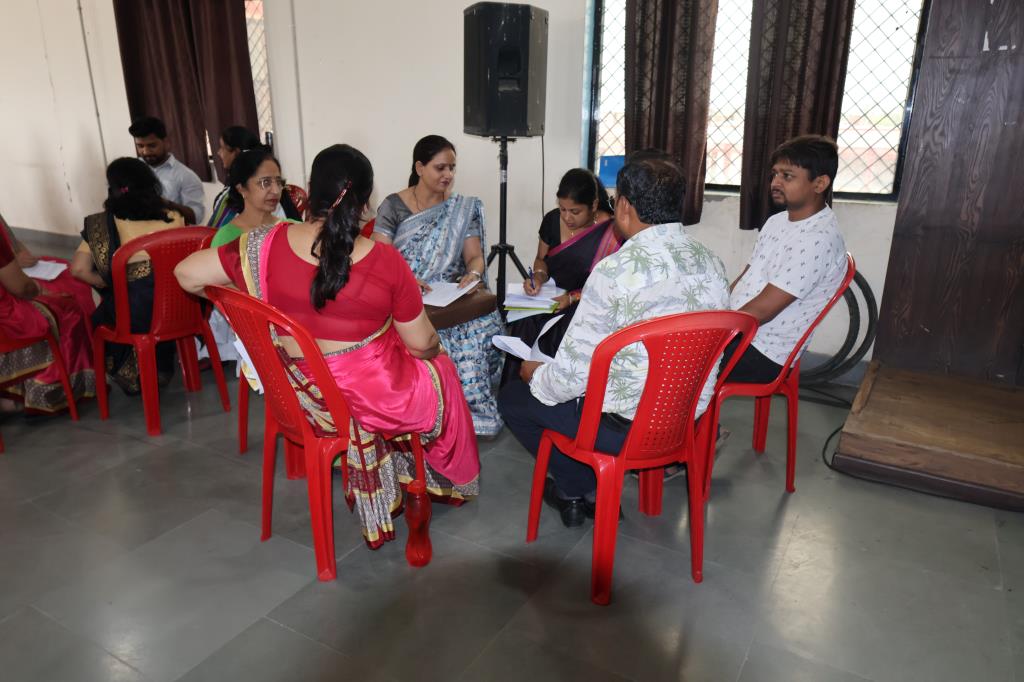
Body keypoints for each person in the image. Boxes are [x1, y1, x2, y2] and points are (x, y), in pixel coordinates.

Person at [174, 143, 480, 548]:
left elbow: (187, 274)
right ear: (365, 203)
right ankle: (436, 479)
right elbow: (421, 343)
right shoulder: (385, 260)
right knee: (440, 368)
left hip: (300, 397)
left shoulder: (263, 246)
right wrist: (435, 349)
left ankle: (393, 472)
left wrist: (248, 303)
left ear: (310, 191)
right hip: (366, 402)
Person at [498, 157, 730, 528]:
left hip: (620, 427)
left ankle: (577, 487)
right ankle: (582, 487)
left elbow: (569, 380)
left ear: (622, 205)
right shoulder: (712, 263)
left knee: (514, 398)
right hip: (685, 419)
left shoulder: (614, 272)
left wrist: (535, 374)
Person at [372, 135, 503, 438]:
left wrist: (473, 274)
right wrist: (406, 280)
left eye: (452, 168)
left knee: (481, 326)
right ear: (420, 167)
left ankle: (466, 415)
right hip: (405, 295)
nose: (448, 175)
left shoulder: (461, 208)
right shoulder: (393, 205)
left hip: (450, 298)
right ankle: (433, 414)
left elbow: (474, 256)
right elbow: (379, 258)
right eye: (440, 168)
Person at [725, 135, 848, 382]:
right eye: (774, 174)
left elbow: (763, 311)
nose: (775, 182)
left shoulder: (816, 240)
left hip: (764, 352)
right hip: (742, 333)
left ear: (820, 183)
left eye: (787, 176)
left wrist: (714, 331)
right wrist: (717, 309)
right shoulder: (777, 221)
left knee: (673, 360)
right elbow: (747, 276)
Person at [71, 158, 185, 395]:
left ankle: (134, 371)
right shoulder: (175, 216)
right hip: (178, 308)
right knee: (148, 298)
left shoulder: (103, 224)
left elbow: (79, 269)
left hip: (135, 315)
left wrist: (107, 283)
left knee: (101, 316)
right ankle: (161, 366)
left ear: (113, 188)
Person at [501, 168, 621, 384]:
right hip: (551, 298)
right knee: (524, 320)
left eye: (575, 211)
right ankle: (515, 390)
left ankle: (550, 388)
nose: (567, 217)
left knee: (559, 329)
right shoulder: (552, 220)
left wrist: (572, 298)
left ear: (594, 205)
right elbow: (541, 259)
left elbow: (610, 285)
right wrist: (538, 277)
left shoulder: (611, 232)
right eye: (563, 209)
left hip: (585, 303)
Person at [0, 223, 95, 414]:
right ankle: (47, 392)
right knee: (69, 307)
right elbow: (21, 288)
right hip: (6, 318)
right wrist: (40, 289)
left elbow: (13, 244)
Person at [208, 127, 303, 229]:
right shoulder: (231, 232)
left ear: (236, 152)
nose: (276, 191)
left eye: (279, 182)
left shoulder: (288, 225)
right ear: (241, 189)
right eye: (265, 182)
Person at [129, 116, 205, 223]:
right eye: (140, 146)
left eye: (152, 146)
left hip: (169, 232)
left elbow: (196, 217)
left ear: (166, 142)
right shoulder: (131, 170)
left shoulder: (186, 176)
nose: (145, 152)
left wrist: (165, 204)